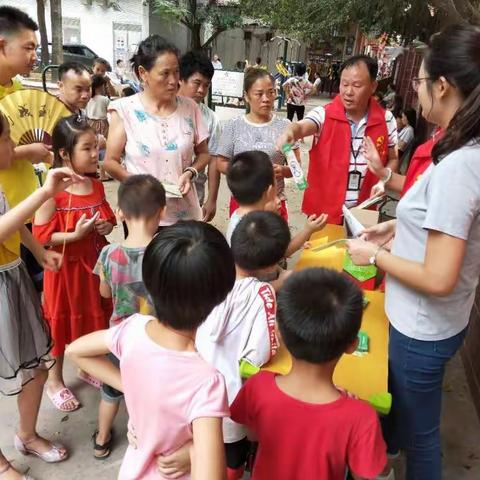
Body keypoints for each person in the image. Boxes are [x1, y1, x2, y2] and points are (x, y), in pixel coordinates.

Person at [347, 24, 480, 480]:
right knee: (408, 416)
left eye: (420, 82)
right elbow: (443, 227)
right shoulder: (460, 147)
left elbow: (440, 275)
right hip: (439, 320)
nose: (417, 92)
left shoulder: (460, 166)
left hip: (424, 327)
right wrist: (395, 226)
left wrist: (374, 257)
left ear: (442, 86)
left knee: (424, 435)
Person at [66, 221, 236, 480]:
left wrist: (131, 386)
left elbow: (76, 351)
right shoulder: (207, 383)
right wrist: (193, 451)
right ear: (222, 293)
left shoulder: (133, 329)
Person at [230, 268, 387, 479]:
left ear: (279, 334)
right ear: (353, 345)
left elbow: (251, 433)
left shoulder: (257, 386)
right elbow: (367, 472)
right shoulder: (361, 417)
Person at [0, 113, 77, 480]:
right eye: (5, 141)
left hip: (13, 277)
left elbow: (13, 221)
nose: (11, 148)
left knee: (35, 364)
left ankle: (27, 435)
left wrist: (38, 249)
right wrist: (45, 193)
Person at [196, 211, 290, 480]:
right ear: (272, 262)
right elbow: (258, 355)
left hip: (194, 386)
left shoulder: (208, 274)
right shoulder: (261, 293)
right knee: (231, 454)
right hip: (229, 397)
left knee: (202, 446)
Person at [33, 115, 116, 413]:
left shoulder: (96, 185)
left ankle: (87, 366)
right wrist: (74, 234)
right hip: (65, 271)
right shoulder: (52, 191)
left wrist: (106, 225)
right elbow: (41, 236)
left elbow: (106, 215)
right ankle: (55, 380)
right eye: (87, 148)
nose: (95, 154)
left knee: (94, 317)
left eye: (96, 147)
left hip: (94, 267)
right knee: (61, 323)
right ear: (65, 154)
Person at [92, 174, 166, 459]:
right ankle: (153, 436)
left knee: (111, 390)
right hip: (157, 336)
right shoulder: (165, 252)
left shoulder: (109, 254)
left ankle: (101, 439)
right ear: (161, 211)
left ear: (119, 211)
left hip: (120, 339)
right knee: (154, 388)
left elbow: (105, 294)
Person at [277, 54, 399, 224]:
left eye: (357, 85)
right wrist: (289, 133)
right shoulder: (324, 114)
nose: (348, 92)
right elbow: (302, 127)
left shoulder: (386, 120)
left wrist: (383, 181)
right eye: (344, 84)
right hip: (323, 213)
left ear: (373, 86)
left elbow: (393, 158)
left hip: (364, 212)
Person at [104, 35, 209, 227]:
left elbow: (204, 154)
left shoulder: (190, 108)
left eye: (177, 73)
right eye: (165, 73)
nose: (173, 81)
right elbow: (110, 163)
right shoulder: (125, 110)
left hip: (184, 215)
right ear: (143, 73)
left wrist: (190, 172)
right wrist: (144, 186)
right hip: (142, 214)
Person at [0, 6, 52, 292]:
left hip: (30, 207)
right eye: (28, 47)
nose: (35, 55)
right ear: (2, 45)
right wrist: (26, 151)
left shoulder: (19, 87)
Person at [217, 68, 301, 221]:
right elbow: (220, 163)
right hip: (243, 203)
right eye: (259, 93)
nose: (266, 99)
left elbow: (297, 171)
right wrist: (244, 170)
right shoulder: (234, 126)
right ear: (246, 96)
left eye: (271, 92)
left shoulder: (284, 127)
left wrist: (283, 170)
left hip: (275, 203)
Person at [225, 151, 327, 252]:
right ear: (270, 191)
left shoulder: (239, 217)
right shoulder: (256, 229)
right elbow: (283, 252)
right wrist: (308, 230)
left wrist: (281, 269)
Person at [178, 51, 221, 221]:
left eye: (206, 85)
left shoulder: (211, 119)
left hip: (195, 193)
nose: (201, 90)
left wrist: (212, 199)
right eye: (197, 83)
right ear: (181, 79)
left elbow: (213, 160)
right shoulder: (163, 111)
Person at [86, 74, 110, 181]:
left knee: (93, 148)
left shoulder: (88, 99)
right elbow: (110, 113)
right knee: (103, 149)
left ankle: (93, 170)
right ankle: (103, 174)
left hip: (89, 124)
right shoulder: (104, 99)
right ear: (100, 86)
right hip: (102, 125)